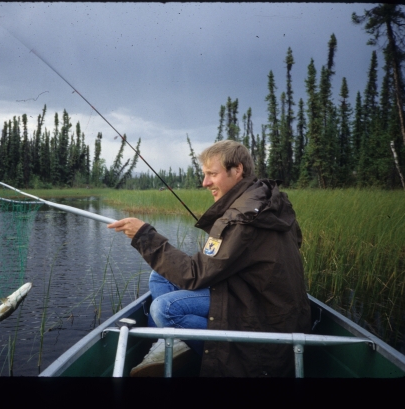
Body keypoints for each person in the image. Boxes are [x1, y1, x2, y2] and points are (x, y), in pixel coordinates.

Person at [107, 140, 311, 377]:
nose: (205, 183)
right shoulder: (265, 200)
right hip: (259, 298)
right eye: (204, 175)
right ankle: (168, 343)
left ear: (237, 170)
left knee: (164, 309)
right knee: (159, 278)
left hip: (260, 316)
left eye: (212, 174)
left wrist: (145, 236)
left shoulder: (242, 216)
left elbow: (193, 275)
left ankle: (187, 341)